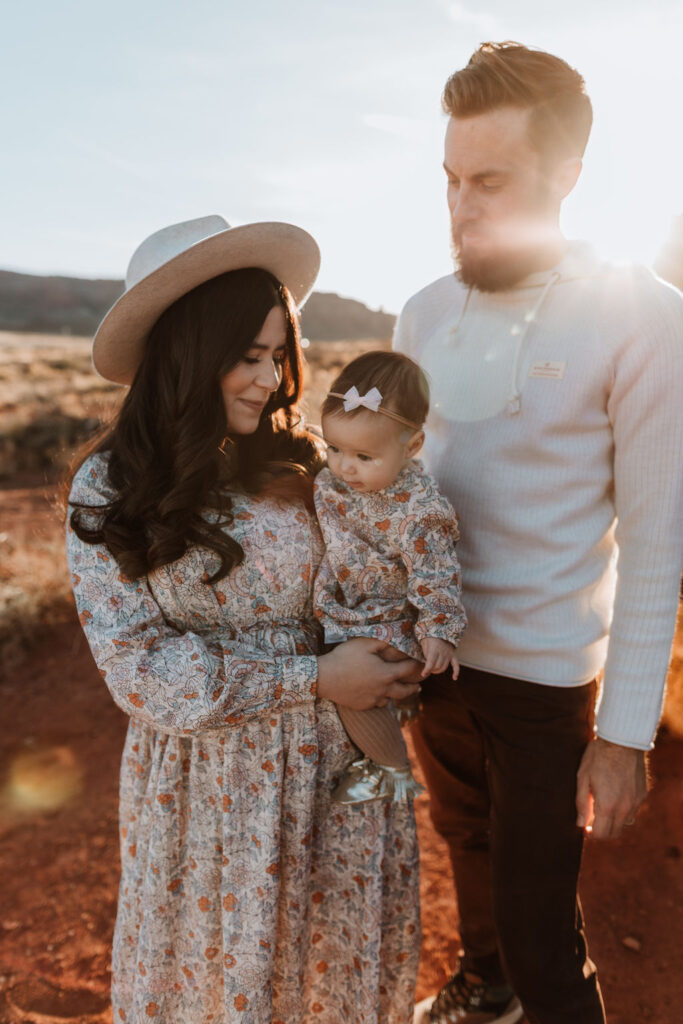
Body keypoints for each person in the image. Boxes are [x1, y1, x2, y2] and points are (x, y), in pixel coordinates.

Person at [64, 215, 424, 1024]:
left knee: (333, 972)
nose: (270, 380)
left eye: (277, 355)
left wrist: (389, 647)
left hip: (340, 770)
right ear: (186, 353)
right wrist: (314, 677)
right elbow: (141, 672)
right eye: (247, 356)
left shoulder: (304, 463)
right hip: (212, 791)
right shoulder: (110, 485)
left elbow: (375, 577)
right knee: (220, 981)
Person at [393, 42, 683, 1024]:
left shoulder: (642, 318)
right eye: (447, 180)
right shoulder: (421, 312)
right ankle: (485, 994)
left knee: (539, 933)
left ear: (565, 177)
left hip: (543, 689)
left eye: (488, 180)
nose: (459, 206)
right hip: (431, 666)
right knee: (463, 851)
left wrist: (621, 734)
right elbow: (403, 492)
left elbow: (653, 542)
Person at [313, 350, 467, 803]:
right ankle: (398, 711)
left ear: (413, 446)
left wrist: (439, 632)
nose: (345, 466)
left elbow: (436, 573)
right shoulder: (338, 481)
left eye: (363, 455)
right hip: (354, 608)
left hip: (392, 618)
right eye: (334, 448)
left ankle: (390, 770)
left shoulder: (419, 510)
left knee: (352, 687)